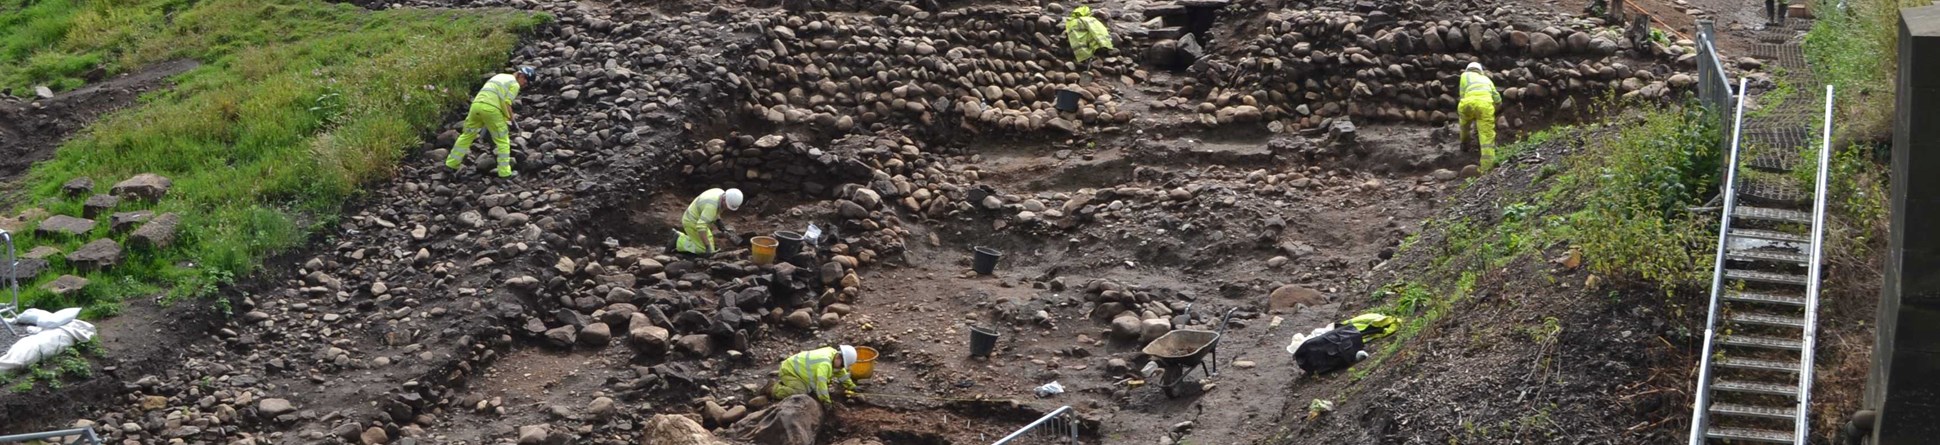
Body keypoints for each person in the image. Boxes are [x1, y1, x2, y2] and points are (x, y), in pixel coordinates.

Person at [446, 66, 536, 178]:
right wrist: (512, 120)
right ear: (521, 75)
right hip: (491, 109)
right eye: (526, 81)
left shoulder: (499, 76)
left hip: (476, 106)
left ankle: (451, 165)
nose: (525, 85)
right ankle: (505, 173)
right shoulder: (514, 84)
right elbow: (507, 103)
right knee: (503, 141)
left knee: (466, 136)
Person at [772, 345, 858, 404]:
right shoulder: (825, 364)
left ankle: (786, 384)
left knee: (809, 390)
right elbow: (821, 384)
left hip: (798, 369)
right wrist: (826, 401)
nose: (842, 368)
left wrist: (852, 387)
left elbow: (841, 372)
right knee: (801, 392)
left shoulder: (832, 353)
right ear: (839, 357)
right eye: (842, 365)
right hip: (790, 371)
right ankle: (773, 389)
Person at [1457, 62, 1502, 170]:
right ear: (1480, 71)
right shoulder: (1487, 80)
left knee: (1464, 126)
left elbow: (1462, 94)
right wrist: (1496, 108)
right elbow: (1497, 99)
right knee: (1487, 137)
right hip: (1485, 106)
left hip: (1467, 103)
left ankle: (1464, 143)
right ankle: (1487, 168)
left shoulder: (1464, 76)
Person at [672, 188, 744, 255]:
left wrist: (718, 221)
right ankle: (678, 240)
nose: (727, 209)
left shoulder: (720, 192)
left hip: (697, 217)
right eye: (727, 206)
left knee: (709, 242)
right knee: (703, 249)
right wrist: (707, 247)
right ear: (724, 199)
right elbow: (700, 227)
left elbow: (714, 210)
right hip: (691, 222)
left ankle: (686, 238)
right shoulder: (711, 206)